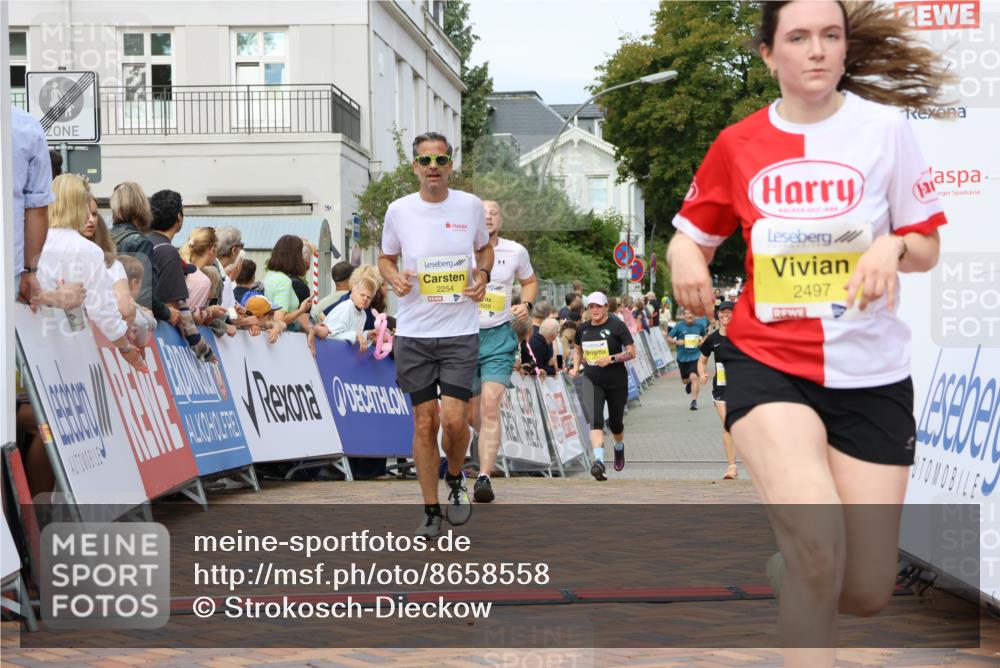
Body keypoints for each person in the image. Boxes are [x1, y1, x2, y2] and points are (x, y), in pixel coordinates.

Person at [666, 2, 950, 664]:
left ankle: (790, 566)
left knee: (868, 589)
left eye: (830, 36)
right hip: (769, 363)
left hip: (872, 375)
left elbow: (927, 243)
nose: (817, 50)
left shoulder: (885, 131)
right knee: (820, 544)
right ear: (769, 54)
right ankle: (805, 559)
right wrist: (685, 265)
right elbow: (691, 237)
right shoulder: (738, 143)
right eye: (798, 38)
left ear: (846, 49)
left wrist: (894, 251)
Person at [378, 131, 492, 538]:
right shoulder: (399, 211)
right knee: (425, 422)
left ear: (450, 165)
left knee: (457, 421)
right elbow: (385, 258)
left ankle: (457, 477)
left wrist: (482, 275)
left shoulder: (470, 206)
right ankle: (430, 508)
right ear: (414, 166)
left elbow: (484, 250)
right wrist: (395, 280)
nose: (433, 168)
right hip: (415, 332)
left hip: (460, 330)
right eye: (425, 161)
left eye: (441, 161)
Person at [37, 174, 147, 373]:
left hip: (24, 339)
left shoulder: (28, 241)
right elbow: (102, 309)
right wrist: (124, 346)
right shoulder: (86, 250)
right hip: (67, 345)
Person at [465, 199, 537, 503]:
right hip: (464, 336)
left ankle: (484, 475)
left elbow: (530, 281)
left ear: (501, 220)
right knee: (470, 413)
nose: (489, 217)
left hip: (499, 337)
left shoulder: (515, 251)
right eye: (483, 214)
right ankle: (482, 442)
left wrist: (526, 305)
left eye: (494, 213)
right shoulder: (459, 248)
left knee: (491, 405)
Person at [570, 292, 636, 480]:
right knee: (595, 419)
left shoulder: (617, 326)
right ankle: (598, 462)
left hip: (616, 381)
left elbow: (632, 352)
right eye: (591, 306)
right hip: (592, 379)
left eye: (599, 306)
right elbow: (577, 348)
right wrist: (575, 367)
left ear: (606, 307)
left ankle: (618, 447)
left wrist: (612, 359)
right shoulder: (582, 328)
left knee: (616, 424)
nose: (595, 310)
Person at [147, 189, 217, 362]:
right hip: (160, 347)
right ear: (179, 217)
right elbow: (176, 312)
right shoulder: (168, 252)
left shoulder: (143, 242)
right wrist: (203, 348)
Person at [110, 182, 174, 325]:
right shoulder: (140, 242)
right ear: (141, 205)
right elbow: (143, 294)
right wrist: (167, 313)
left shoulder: (102, 238)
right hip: (133, 324)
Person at [697, 301, 738, 480]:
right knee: (728, 424)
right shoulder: (713, 339)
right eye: (723, 313)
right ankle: (732, 467)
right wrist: (702, 374)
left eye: (730, 312)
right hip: (720, 387)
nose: (726, 316)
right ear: (718, 315)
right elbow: (701, 361)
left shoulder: (745, 335)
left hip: (743, 385)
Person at [82, 198, 135, 325]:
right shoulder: (114, 266)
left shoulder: (60, 259)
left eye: (94, 214)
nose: (90, 219)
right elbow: (125, 310)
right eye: (84, 214)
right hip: (107, 336)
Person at [264, 234, 313, 333]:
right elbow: (278, 320)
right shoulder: (284, 281)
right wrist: (301, 310)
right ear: (295, 257)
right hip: (285, 338)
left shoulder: (270, 275)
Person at [668, 310, 707, 410]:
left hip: (695, 356)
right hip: (682, 357)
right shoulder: (678, 326)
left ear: (694, 315)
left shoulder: (700, 326)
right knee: (685, 381)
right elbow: (669, 337)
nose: (689, 315)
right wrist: (676, 342)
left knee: (694, 377)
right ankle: (688, 382)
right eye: (687, 314)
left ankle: (694, 402)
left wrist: (702, 341)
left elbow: (705, 335)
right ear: (684, 316)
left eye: (691, 313)